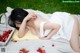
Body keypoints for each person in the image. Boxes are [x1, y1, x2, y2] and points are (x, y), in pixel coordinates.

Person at [8, 8, 80, 52]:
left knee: (76, 50)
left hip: (68, 23)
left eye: (17, 23)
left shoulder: (38, 24)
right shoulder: (27, 25)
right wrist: (25, 20)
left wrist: (48, 37)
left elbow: (58, 26)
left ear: (22, 20)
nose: (16, 26)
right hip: (61, 25)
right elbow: (20, 35)